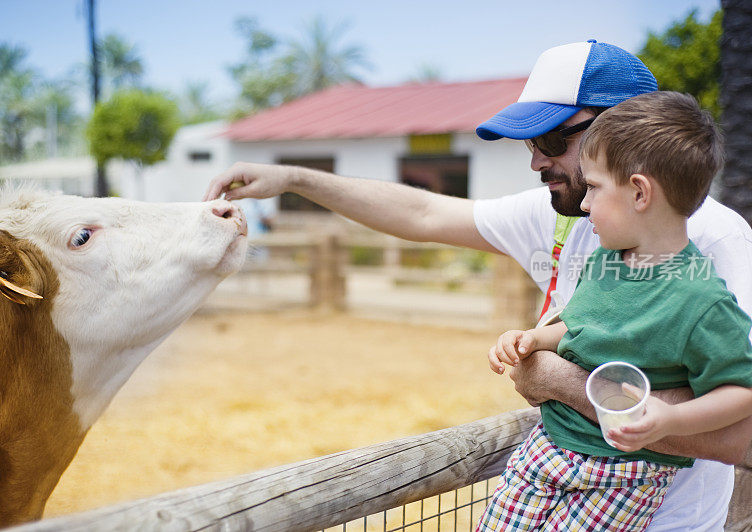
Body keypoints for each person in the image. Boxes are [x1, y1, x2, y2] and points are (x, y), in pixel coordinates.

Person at [204, 40, 752, 530]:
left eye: (555, 138)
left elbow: (741, 428)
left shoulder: (712, 240)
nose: (537, 160)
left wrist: (558, 380)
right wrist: (296, 179)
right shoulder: (569, 214)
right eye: (530, 142)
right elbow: (421, 212)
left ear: (622, 133)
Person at [479, 90, 752, 531]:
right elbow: (577, 322)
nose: (584, 206)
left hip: (624, 473)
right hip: (549, 446)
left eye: (594, 188)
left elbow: (741, 392)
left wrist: (671, 418)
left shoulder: (703, 302)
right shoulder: (607, 261)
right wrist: (533, 340)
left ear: (640, 193)